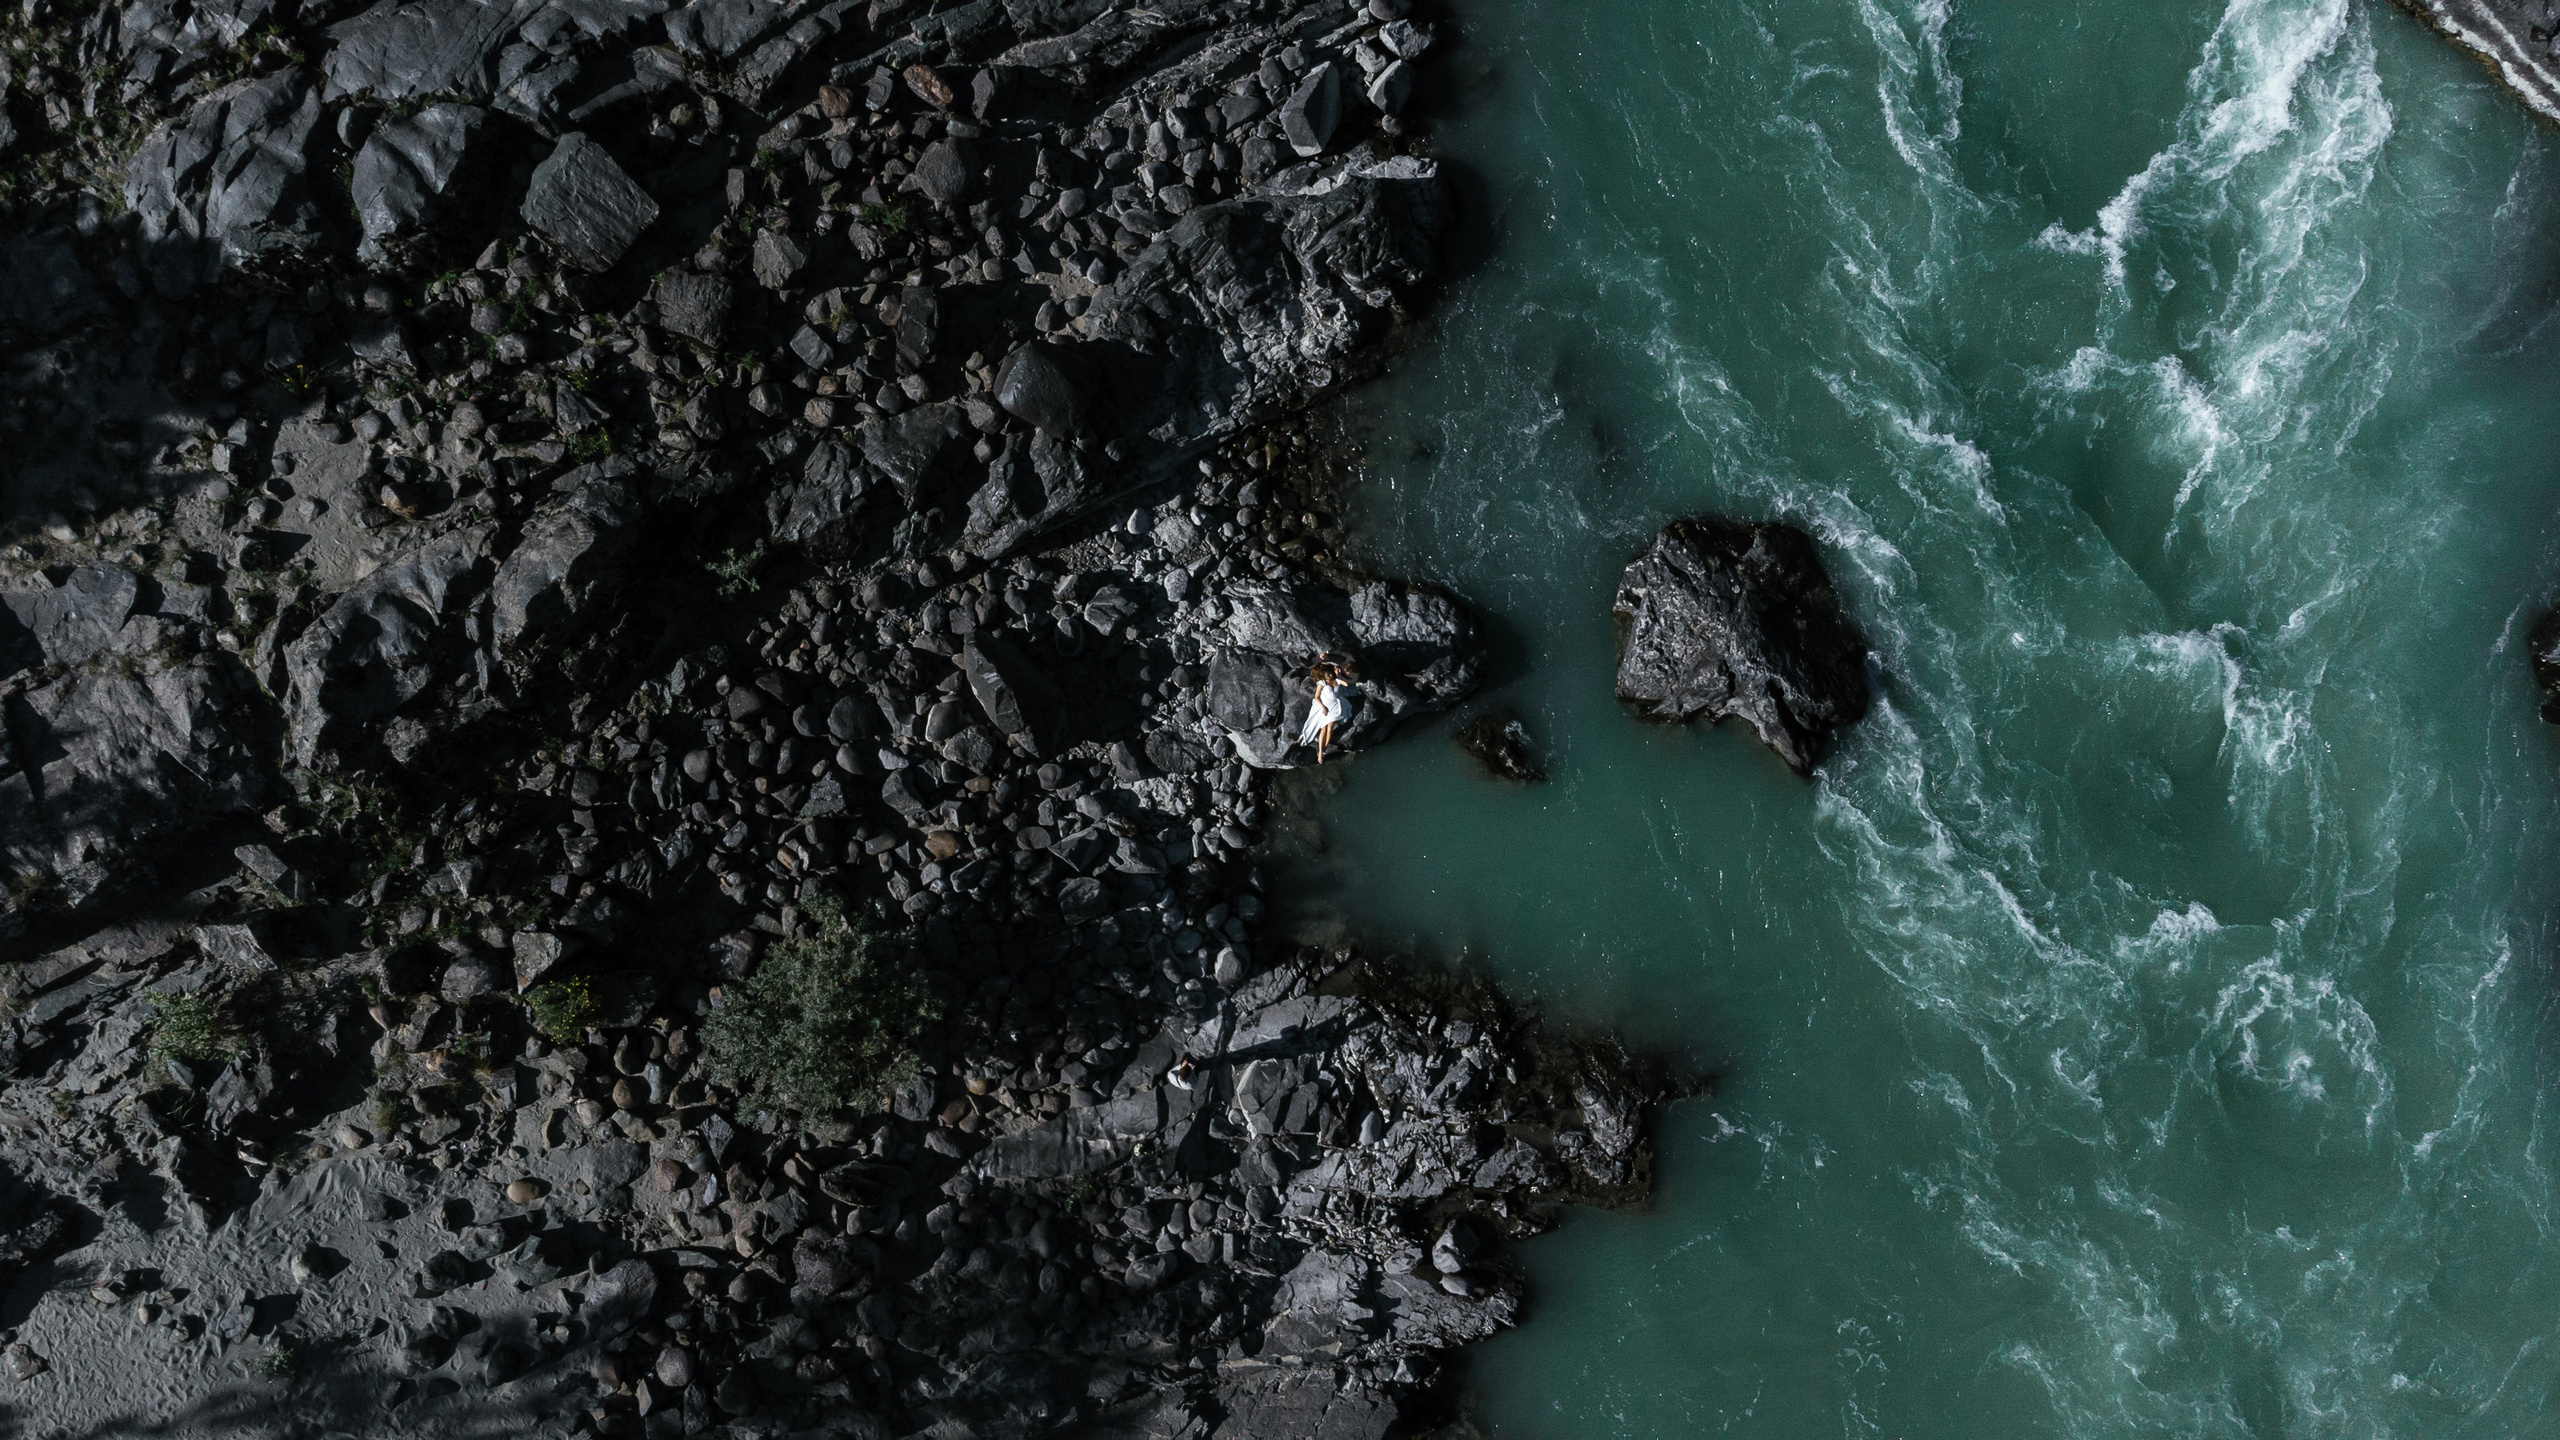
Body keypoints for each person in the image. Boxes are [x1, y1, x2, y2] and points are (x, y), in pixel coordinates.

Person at [1297, 654, 1356, 763]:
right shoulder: (1322, 683)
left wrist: (1338, 675)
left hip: (1335, 707)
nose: (1329, 675)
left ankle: (1324, 747)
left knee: (1330, 728)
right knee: (1323, 729)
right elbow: (1316, 697)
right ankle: (1320, 753)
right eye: (1326, 674)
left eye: (1329, 673)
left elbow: (1346, 684)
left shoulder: (1336, 680)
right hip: (1326, 706)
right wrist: (1323, 707)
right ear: (1323, 676)